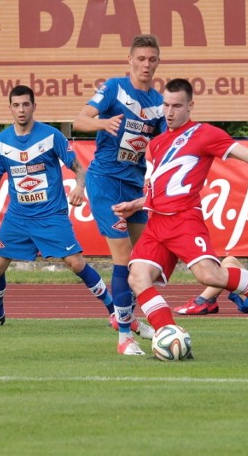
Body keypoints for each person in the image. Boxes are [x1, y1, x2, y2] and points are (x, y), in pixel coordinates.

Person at [112, 78, 248, 346]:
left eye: (176, 106)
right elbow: (163, 187)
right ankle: (170, 337)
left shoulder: (205, 134)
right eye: (165, 105)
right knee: (137, 276)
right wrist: (135, 205)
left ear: (190, 106)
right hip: (156, 223)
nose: (169, 112)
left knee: (210, 276)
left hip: (185, 220)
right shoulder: (158, 144)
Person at [0, 85, 115, 328]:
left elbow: (79, 169)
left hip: (50, 215)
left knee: (76, 263)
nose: (21, 109)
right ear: (10, 109)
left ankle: (116, 311)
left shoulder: (51, 136)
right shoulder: (1, 142)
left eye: (26, 104)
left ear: (34, 107)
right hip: (18, 217)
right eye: (16, 105)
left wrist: (80, 187)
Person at [73, 34, 166, 355]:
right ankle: (125, 336)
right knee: (124, 258)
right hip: (105, 183)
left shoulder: (157, 104)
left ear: (158, 63)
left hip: (134, 186)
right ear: (130, 60)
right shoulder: (113, 88)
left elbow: (165, 147)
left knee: (143, 262)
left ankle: (127, 318)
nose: (146, 64)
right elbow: (79, 120)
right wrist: (102, 123)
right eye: (140, 58)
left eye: (152, 59)